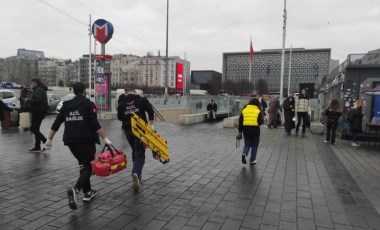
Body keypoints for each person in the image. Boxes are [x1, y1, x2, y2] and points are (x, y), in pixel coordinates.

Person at [44, 82, 112, 210]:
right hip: (86, 141)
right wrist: (106, 139)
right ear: (84, 91)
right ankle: (76, 190)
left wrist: (49, 139)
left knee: (83, 165)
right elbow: (95, 124)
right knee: (89, 168)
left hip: (70, 142)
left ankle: (88, 193)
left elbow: (56, 124)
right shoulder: (88, 104)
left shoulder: (66, 105)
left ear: (73, 91)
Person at [117, 88, 154, 192]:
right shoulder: (141, 100)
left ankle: (137, 173)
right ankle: (136, 173)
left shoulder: (122, 103)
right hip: (141, 131)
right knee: (140, 153)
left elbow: (120, 117)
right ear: (135, 92)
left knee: (135, 149)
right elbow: (150, 110)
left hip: (128, 131)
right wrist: (151, 123)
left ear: (125, 92)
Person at [23, 78, 49, 152]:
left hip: (38, 112)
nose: (31, 85)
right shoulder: (39, 89)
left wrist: (28, 100)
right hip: (39, 111)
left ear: (36, 83)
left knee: (33, 129)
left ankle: (46, 142)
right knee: (36, 129)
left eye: (32, 83)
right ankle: (37, 146)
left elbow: (38, 100)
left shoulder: (38, 90)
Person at [237, 98, 264, 165]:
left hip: (246, 130)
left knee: (247, 144)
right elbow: (260, 122)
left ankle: (244, 153)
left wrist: (240, 131)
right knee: (255, 146)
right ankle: (252, 160)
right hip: (255, 131)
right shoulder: (258, 110)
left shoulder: (244, 110)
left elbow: (240, 122)